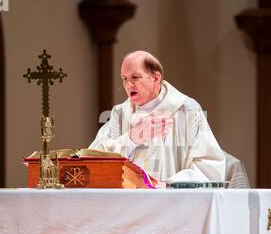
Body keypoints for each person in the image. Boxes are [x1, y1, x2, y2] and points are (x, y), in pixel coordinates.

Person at [89, 50, 249, 186]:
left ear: (156, 78)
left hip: (173, 206)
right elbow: (93, 160)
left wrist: (168, 185)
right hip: (127, 206)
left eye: (135, 77)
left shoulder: (186, 110)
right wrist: (131, 138)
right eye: (124, 79)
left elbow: (209, 164)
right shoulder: (120, 114)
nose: (128, 85)